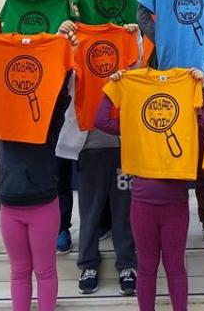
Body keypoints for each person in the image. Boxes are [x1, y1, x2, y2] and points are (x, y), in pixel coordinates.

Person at [0, 27, 76, 311]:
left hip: (43, 204)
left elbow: (61, 92)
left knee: (45, 271)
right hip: (11, 206)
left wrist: (62, 51)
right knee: (19, 271)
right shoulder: (1, 107)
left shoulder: (49, 117)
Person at [93, 67, 204, 311]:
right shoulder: (134, 107)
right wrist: (113, 88)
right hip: (143, 204)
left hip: (174, 203)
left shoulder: (187, 87)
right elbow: (101, 120)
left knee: (174, 266)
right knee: (147, 266)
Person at [137, 0, 204, 248]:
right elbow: (142, 17)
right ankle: (170, 223)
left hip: (203, 91)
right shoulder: (161, 20)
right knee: (171, 161)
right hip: (170, 94)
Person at [56, 19, 139, 296]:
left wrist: (136, 38)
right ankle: (88, 264)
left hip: (123, 146)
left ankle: (127, 264)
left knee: (124, 210)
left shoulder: (125, 37)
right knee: (90, 210)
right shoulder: (75, 39)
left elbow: (138, 71)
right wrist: (62, 40)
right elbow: (59, 74)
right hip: (89, 143)